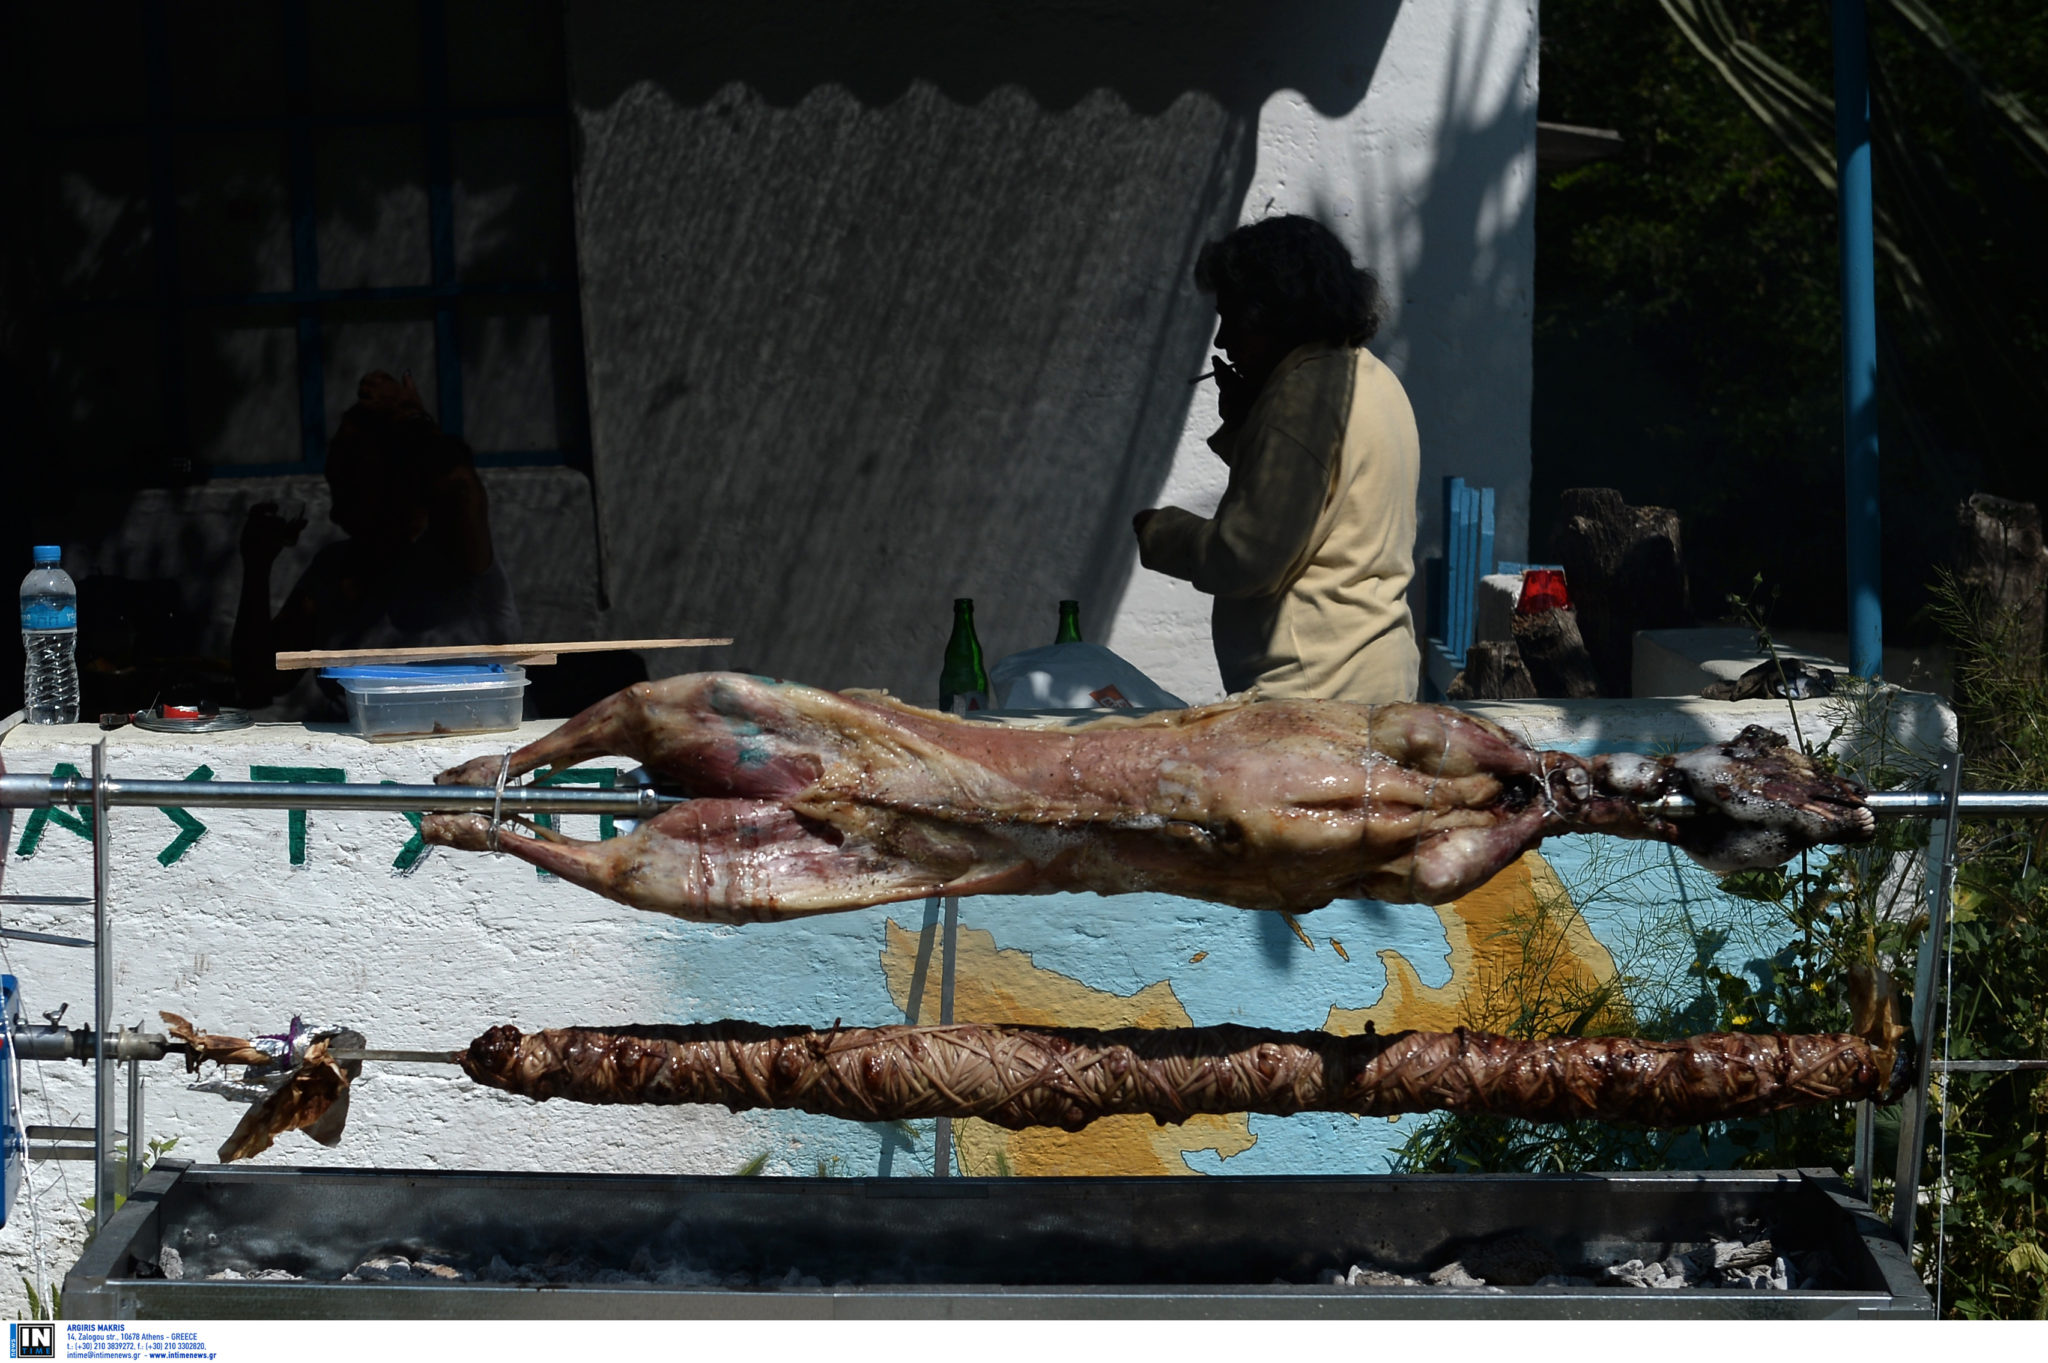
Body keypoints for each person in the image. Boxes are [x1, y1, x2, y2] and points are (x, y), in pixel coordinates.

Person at [1133, 215, 1419, 703]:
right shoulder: (1372, 377)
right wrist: (1248, 424)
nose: (1222, 341)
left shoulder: (1302, 400)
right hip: (1372, 675)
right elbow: (1318, 500)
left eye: (1232, 319)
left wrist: (1160, 532)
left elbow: (1247, 557)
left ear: (1275, 316)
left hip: (1315, 692)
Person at [233, 371, 521, 712]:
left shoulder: (455, 554)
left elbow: (459, 483)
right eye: (335, 486)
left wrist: (412, 419)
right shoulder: (332, 570)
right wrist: (257, 566)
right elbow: (260, 680)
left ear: (398, 483)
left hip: (476, 738)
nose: (335, 512)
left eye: (350, 487)